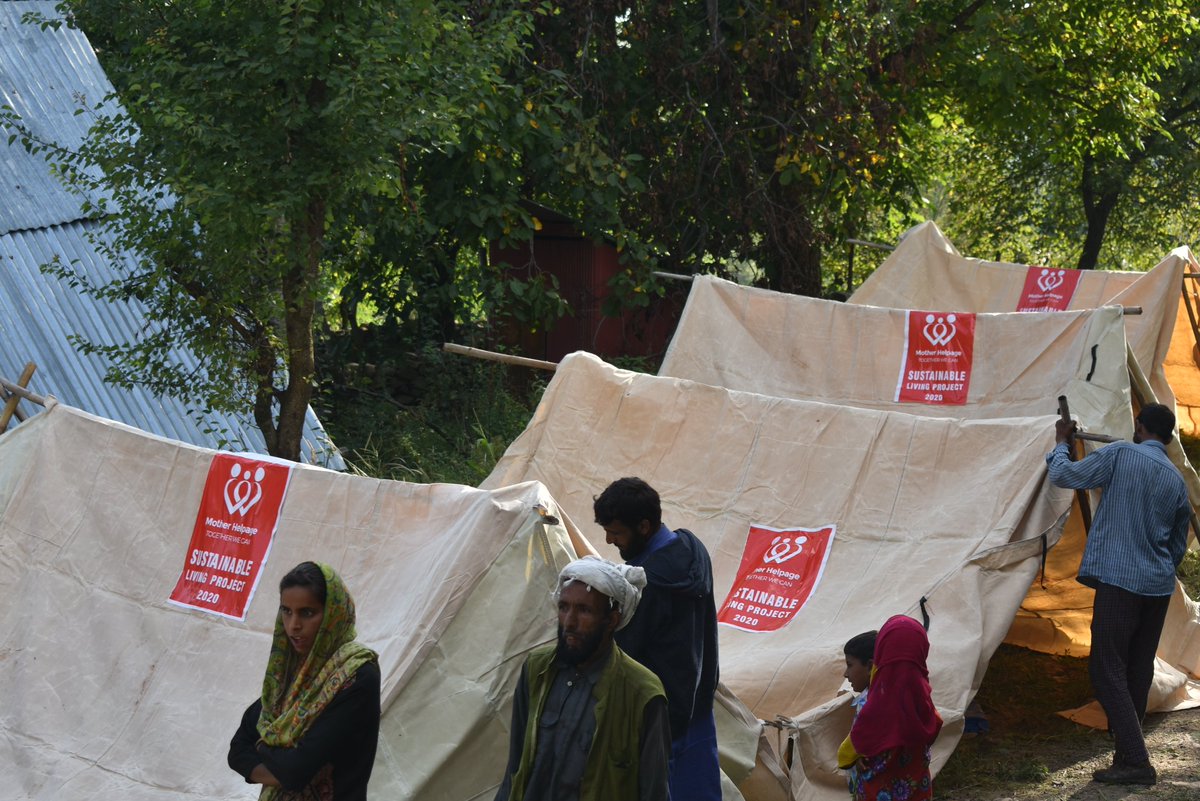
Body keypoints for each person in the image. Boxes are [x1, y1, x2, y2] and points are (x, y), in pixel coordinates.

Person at [1047, 403, 1191, 786]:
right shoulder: (1176, 480)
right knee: (1137, 668)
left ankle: (1137, 760)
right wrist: (1153, 564)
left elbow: (1064, 475)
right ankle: (1127, 756)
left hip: (1120, 580)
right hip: (1156, 586)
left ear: (1139, 426)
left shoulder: (1121, 454)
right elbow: (1178, 545)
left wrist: (1062, 443)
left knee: (1106, 668)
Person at [494, 556, 670, 801]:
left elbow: (654, 792)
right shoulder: (537, 669)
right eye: (564, 607)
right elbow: (515, 769)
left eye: (584, 610)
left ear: (612, 620)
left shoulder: (642, 692)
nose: (569, 622)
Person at [593, 477, 722, 801]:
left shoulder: (645, 586)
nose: (609, 540)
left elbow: (624, 655)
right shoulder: (694, 549)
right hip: (698, 705)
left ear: (645, 526)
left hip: (656, 717)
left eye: (616, 532)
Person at [228, 561, 381, 800]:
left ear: (333, 614)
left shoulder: (357, 675)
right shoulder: (292, 677)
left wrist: (260, 747)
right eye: (286, 611)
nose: (293, 626)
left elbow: (295, 770)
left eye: (307, 613)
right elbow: (237, 751)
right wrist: (282, 770)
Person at [837, 615, 942, 801]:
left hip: (879, 790)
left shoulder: (878, 700)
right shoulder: (921, 694)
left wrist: (849, 757)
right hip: (916, 788)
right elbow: (934, 724)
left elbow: (859, 739)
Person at [842, 630, 878, 797]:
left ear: (870, 666)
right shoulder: (869, 697)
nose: (845, 674)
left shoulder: (871, 704)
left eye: (850, 665)